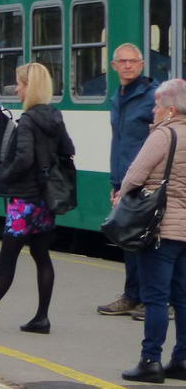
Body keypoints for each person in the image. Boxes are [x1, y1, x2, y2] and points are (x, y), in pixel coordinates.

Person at [0, 62, 74, 335]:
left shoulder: (28, 120)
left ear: (30, 87)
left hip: (24, 202)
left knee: (6, 263)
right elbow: (68, 149)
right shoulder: (55, 116)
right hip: (45, 201)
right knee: (42, 256)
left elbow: (24, 158)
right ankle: (41, 318)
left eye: (19, 83)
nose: (16, 88)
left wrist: (5, 173)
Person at [117, 79, 186, 383]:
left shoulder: (164, 134)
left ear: (170, 109)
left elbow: (135, 173)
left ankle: (150, 360)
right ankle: (182, 359)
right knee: (182, 298)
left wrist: (121, 195)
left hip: (160, 229)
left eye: (157, 105)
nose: (153, 110)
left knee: (156, 298)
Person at [99, 42, 158, 318]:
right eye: (122, 61)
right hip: (124, 179)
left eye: (133, 61)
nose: (127, 65)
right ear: (113, 66)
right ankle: (132, 295)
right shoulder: (118, 97)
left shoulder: (152, 96)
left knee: (149, 242)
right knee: (127, 239)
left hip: (148, 181)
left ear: (142, 64)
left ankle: (155, 299)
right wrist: (116, 183)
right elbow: (118, 143)